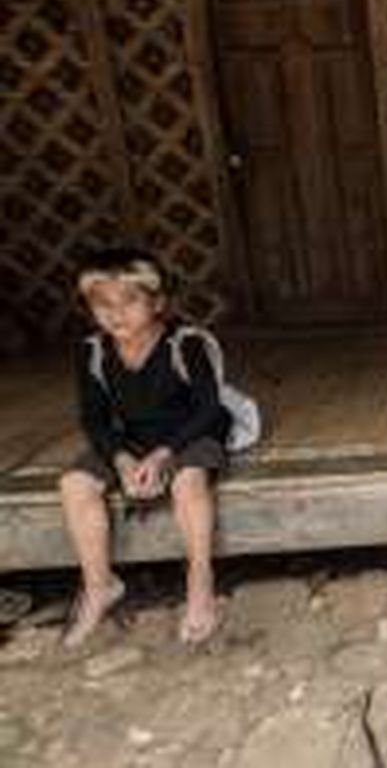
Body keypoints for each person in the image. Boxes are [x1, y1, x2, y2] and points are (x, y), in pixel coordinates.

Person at [59, 248, 229, 647]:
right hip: (132, 438)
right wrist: (121, 460)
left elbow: (209, 409)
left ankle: (200, 582)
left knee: (187, 482)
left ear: (157, 303)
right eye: (103, 303)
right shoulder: (94, 351)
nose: (116, 313)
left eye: (130, 301)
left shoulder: (184, 343)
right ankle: (100, 585)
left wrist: (162, 454)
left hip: (189, 433)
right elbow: (94, 419)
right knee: (74, 484)